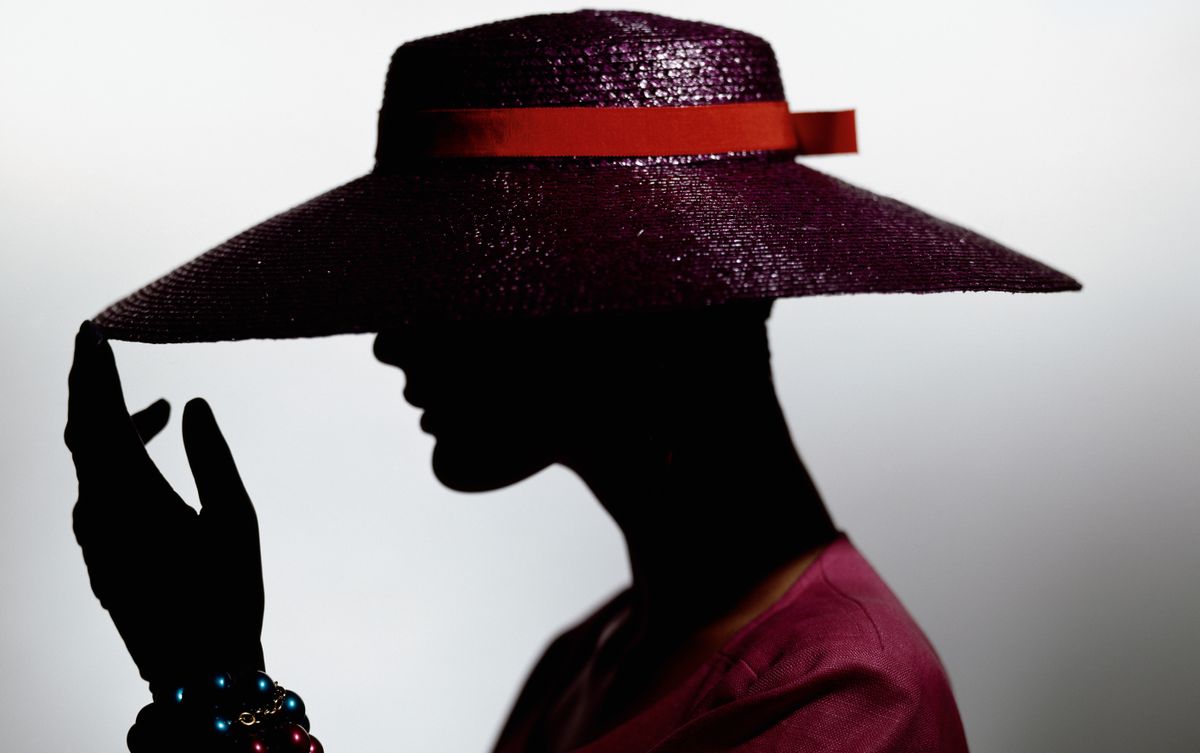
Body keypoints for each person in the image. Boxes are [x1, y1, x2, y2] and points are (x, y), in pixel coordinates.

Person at [66, 10, 1080, 752]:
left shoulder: (841, 707)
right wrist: (203, 667)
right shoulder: (593, 660)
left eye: (453, 279)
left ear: (644, 318)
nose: (390, 340)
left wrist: (213, 676)